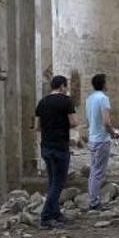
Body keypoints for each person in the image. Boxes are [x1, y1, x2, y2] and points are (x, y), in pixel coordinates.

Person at [34, 75, 77, 229]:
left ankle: (56, 213)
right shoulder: (66, 101)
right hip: (60, 146)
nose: (67, 89)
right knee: (58, 183)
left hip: (46, 146)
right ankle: (46, 217)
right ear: (62, 86)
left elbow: (37, 126)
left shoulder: (42, 102)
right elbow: (73, 122)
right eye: (66, 86)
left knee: (52, 181)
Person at [85, 73, 119, 210]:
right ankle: (94, 202)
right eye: (106, 82)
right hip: (101, 140)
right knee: (98, 172)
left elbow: (88, 121)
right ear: (103, 84)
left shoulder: (89, 99)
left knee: (94, 171)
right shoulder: (103, 98)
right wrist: (114, 133)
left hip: (92, 139)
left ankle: (92, 199)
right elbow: (106, 122)